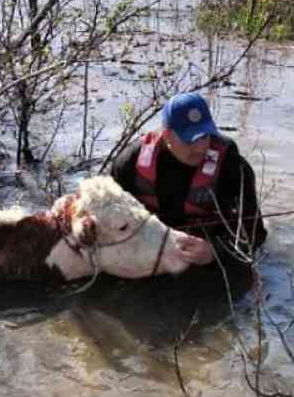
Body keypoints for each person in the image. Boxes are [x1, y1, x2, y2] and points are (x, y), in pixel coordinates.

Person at [110, 92, 267, 269]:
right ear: (168, 135)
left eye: (205, 137)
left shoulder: (231, 167)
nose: (201, 148)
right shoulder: (130, 162)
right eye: (190, 140)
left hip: (208, 262)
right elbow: (108, 223)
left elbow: (256, 235)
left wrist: (214, 252)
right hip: (148, 253)